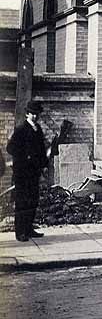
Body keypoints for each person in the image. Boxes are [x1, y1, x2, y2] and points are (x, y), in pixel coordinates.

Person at [6, 100, 49, 241]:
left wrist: (44, 164)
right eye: (32, 114)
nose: (35, 116)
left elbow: (41, 150)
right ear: (27, 114)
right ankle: (20, 232)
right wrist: (26, 157)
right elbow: (10, 148)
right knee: (22, 202)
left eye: (37, 114)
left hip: (34, 173)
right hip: (22, 173)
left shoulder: (38, 129)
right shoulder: (21, 130)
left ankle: (29, 228)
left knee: (32, 201)